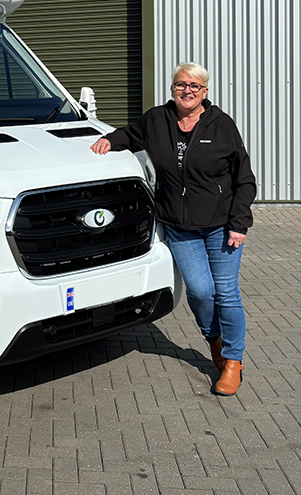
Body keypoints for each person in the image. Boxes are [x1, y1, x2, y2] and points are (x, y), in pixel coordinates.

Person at [90, 62, 256, 396]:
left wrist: (239, 223)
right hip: (181, 228)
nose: (187, 91)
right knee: (198, 292)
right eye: (181, 84)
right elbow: (130, 134)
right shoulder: (156, 119)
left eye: (195, 86)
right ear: (172, 89)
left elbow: (244, 179)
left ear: (205, 92)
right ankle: (215, 340)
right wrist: (109, 140)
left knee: (226, 293)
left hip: (221, 227)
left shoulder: (222, 126)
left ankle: (233, 361)